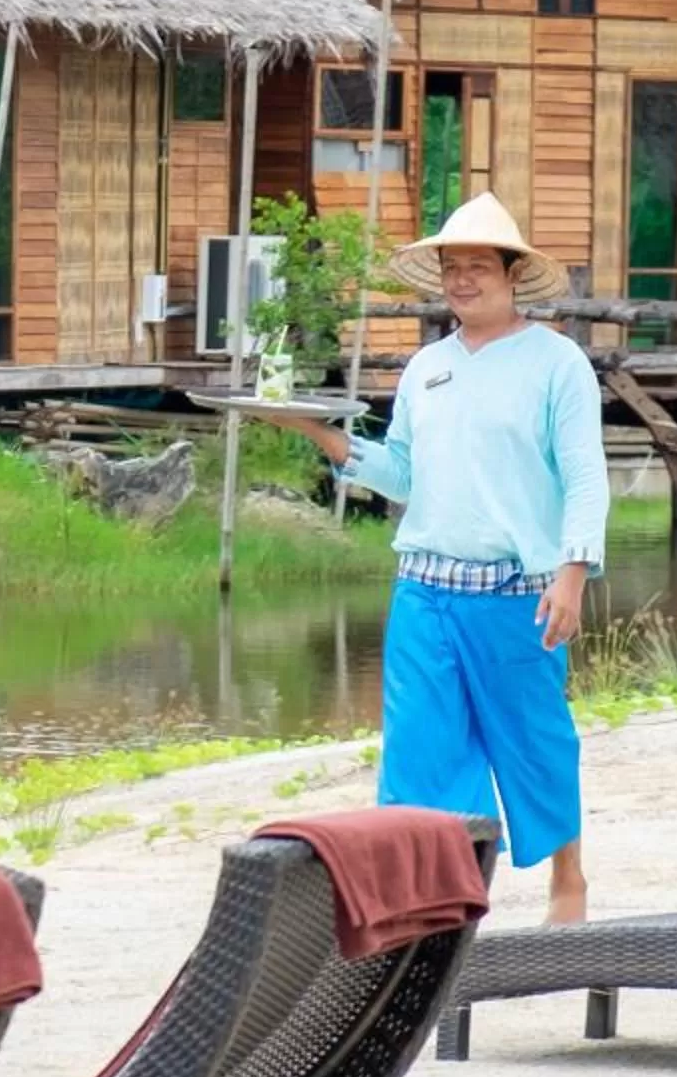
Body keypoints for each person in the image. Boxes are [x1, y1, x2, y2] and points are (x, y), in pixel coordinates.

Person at [258, 193, 609, 922]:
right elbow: (403, 475)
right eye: (452, 267)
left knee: (535, 740)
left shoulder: (557, 364)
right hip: (424, 592)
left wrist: (573, 574)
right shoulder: (426, 367)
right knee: (421, 754)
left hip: (519, 593)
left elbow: (584, 475)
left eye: (478, 266)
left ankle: (568, 879)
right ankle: (439, 905)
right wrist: (316, 431)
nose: (462, 280)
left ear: (513, 275)